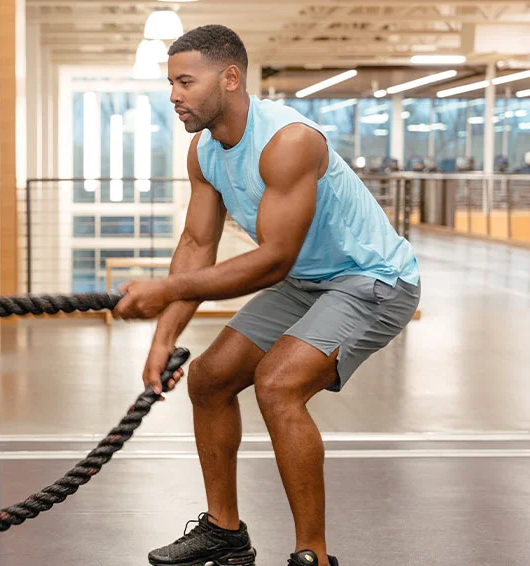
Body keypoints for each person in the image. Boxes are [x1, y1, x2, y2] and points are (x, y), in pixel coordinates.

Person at [113, 24, 421, 566]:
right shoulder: (204, 152)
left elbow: (272, 259)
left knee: (277, 384)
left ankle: (314, 555)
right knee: (208, 381)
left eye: (185, 82)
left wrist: (165, 289)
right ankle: (225, 531)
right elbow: (197, 243)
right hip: (308, 282)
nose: (173, 96)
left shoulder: (288, 141)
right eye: (171, 83)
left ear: (230, 78)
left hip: (372, 279)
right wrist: (164, 335)